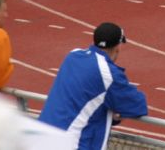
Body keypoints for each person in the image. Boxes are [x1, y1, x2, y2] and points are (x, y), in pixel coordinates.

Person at [39, 22, 148, 150]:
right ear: (117, 46)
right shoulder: (108, 74)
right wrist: (115, 112)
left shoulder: (73, 55)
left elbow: (85, 95)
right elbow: (137, 106)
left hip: (41, 137)